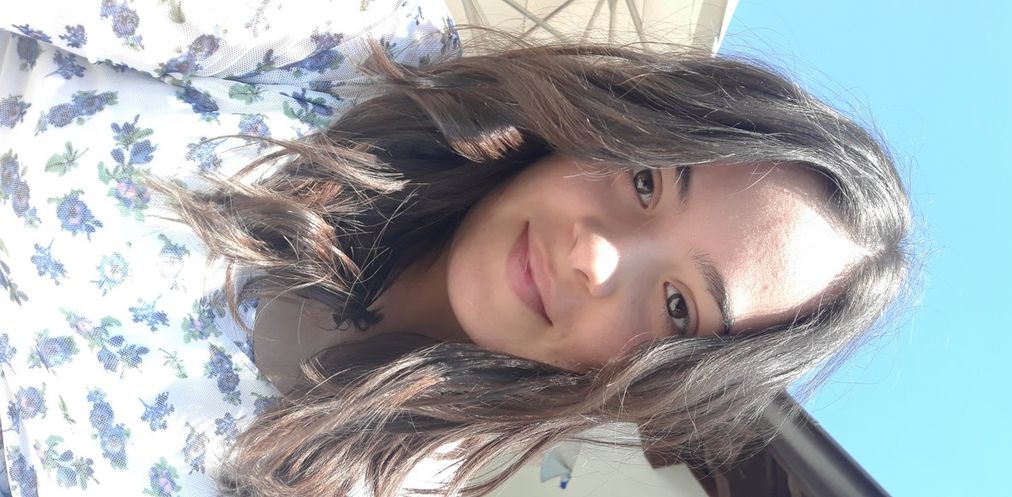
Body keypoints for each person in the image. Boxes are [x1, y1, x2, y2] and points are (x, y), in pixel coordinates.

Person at [0, 3, 911, 497]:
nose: (596, 261)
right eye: (644, 180)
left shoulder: (370, 483)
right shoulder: (352, 41)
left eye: (678, 305)